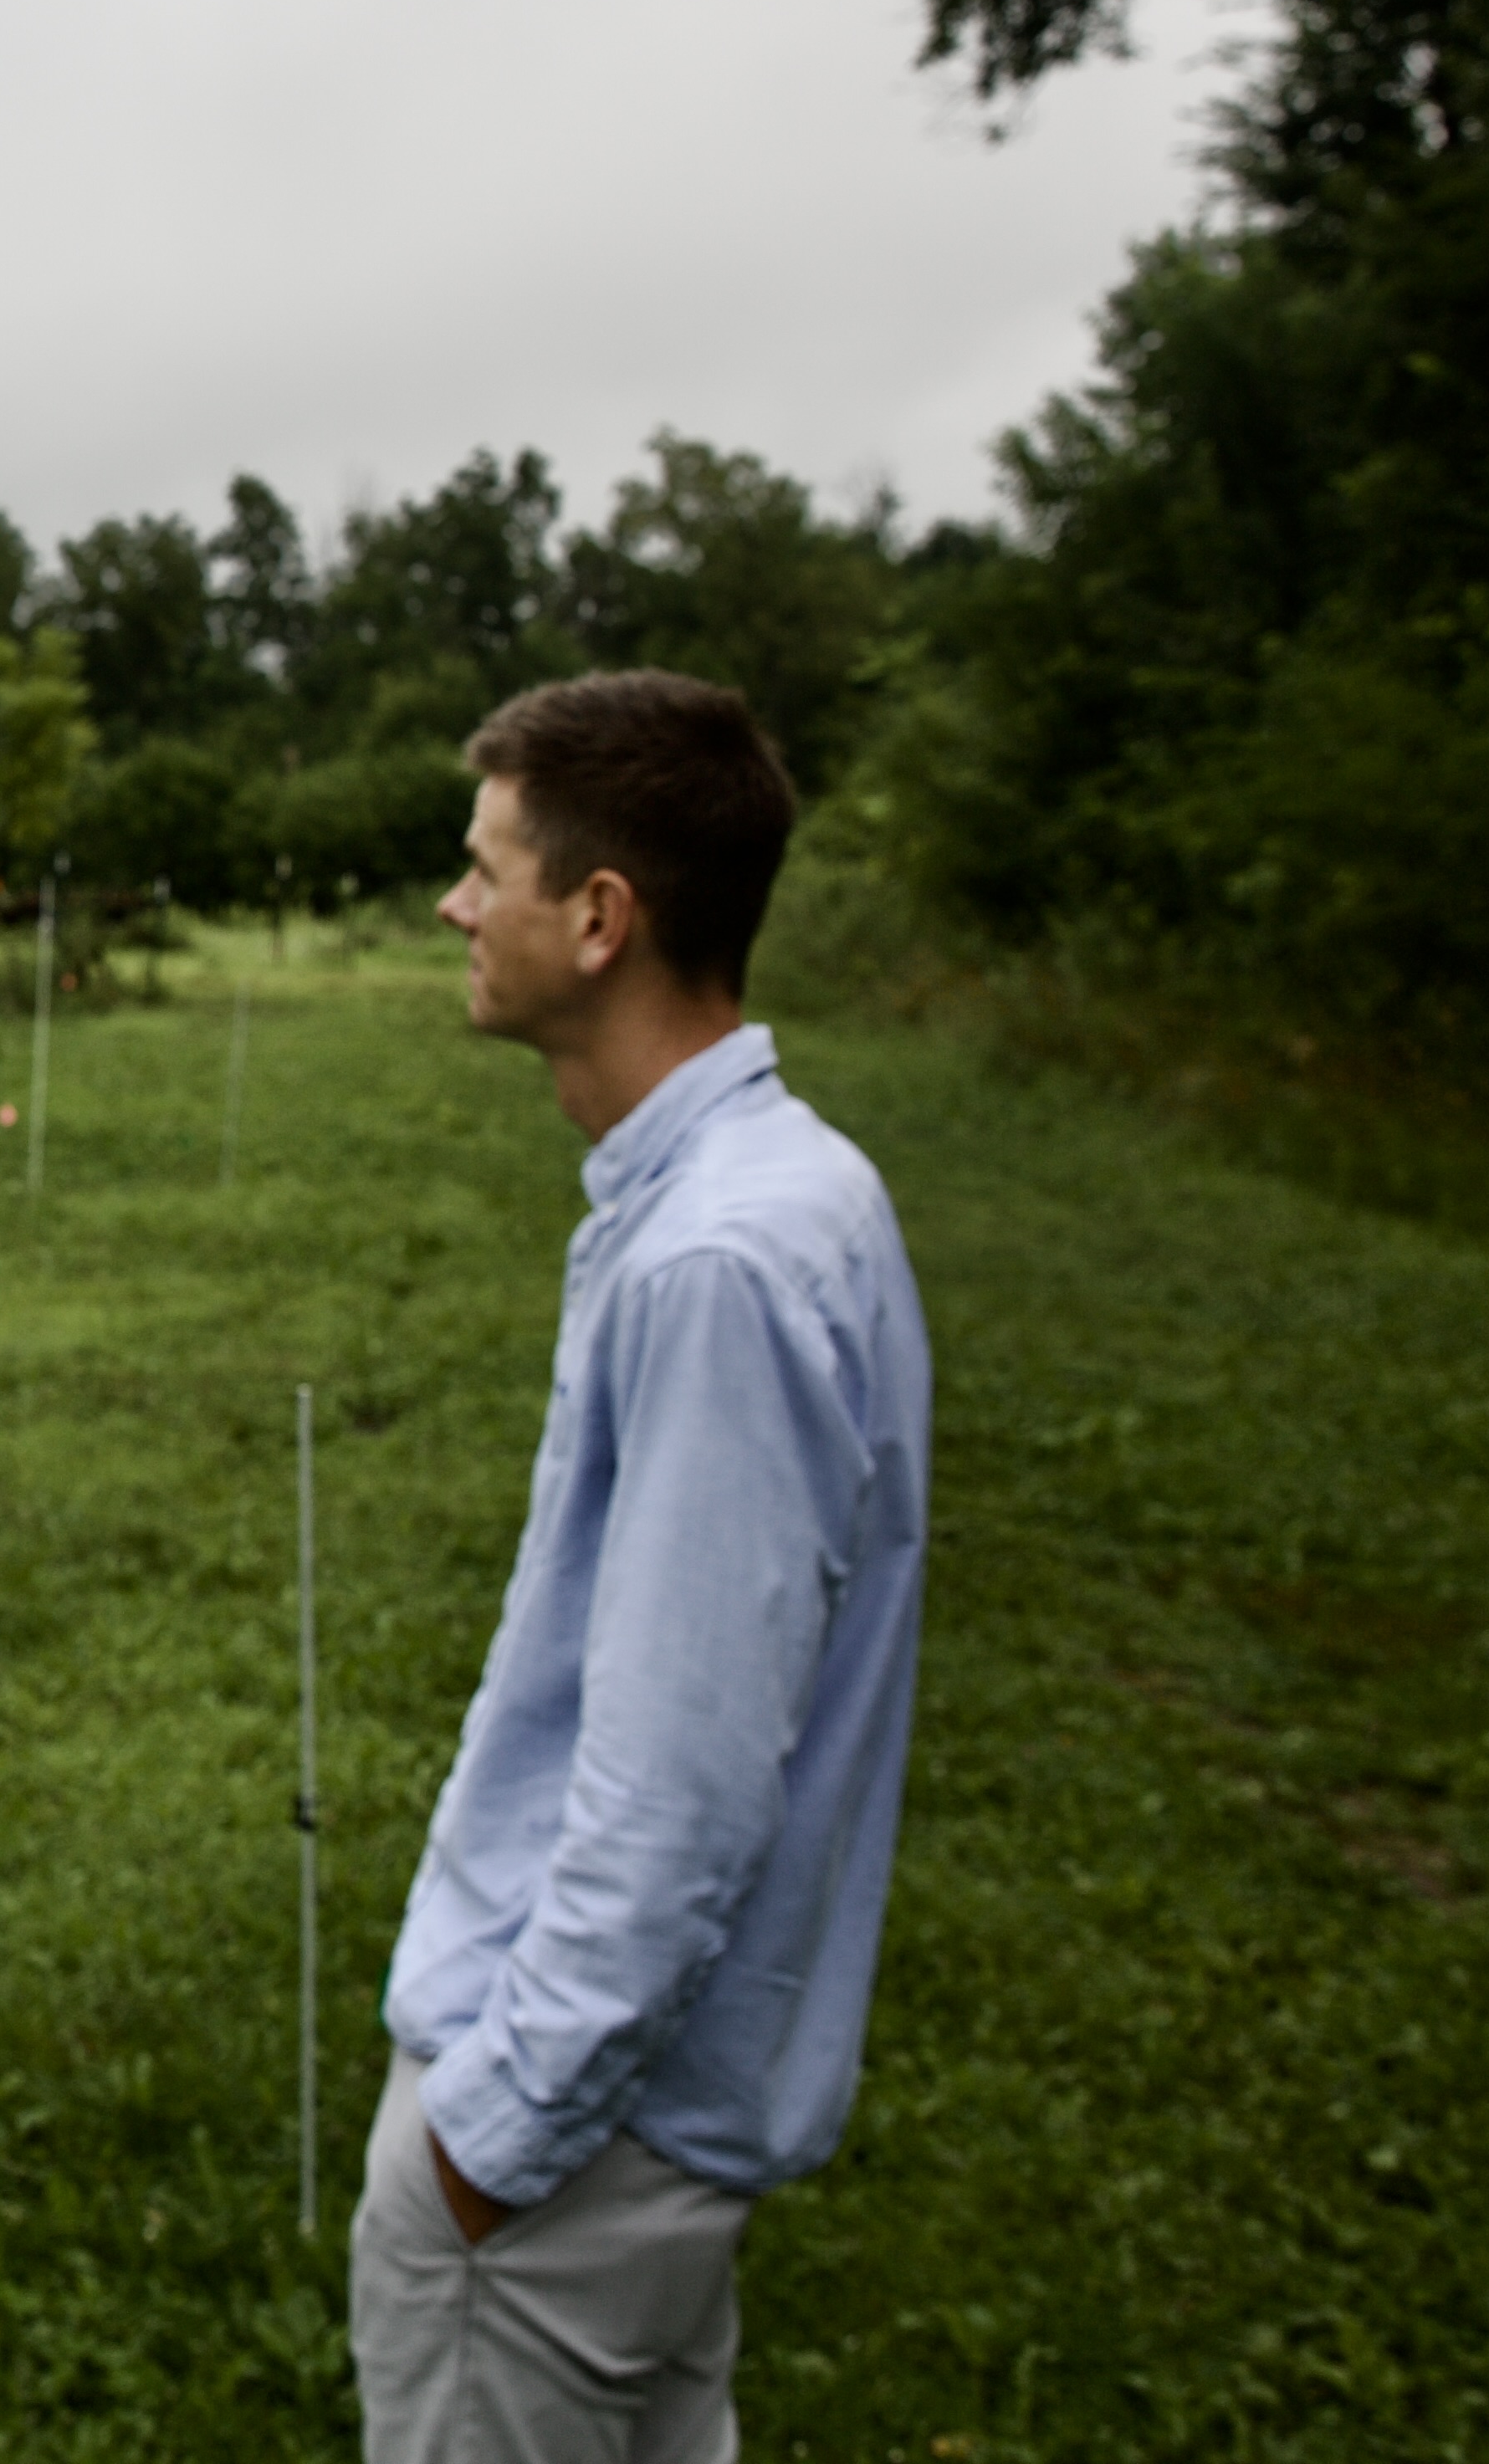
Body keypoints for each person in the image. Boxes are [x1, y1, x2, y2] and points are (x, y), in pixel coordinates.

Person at [352, 670, 932, 2464]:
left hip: (570, 2167)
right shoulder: (784, 1188)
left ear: (600, 918)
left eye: (488, 866)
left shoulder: (719, 1267)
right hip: (644, 2156)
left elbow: (680, 1789)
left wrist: (489, 2143)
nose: (456, 904)